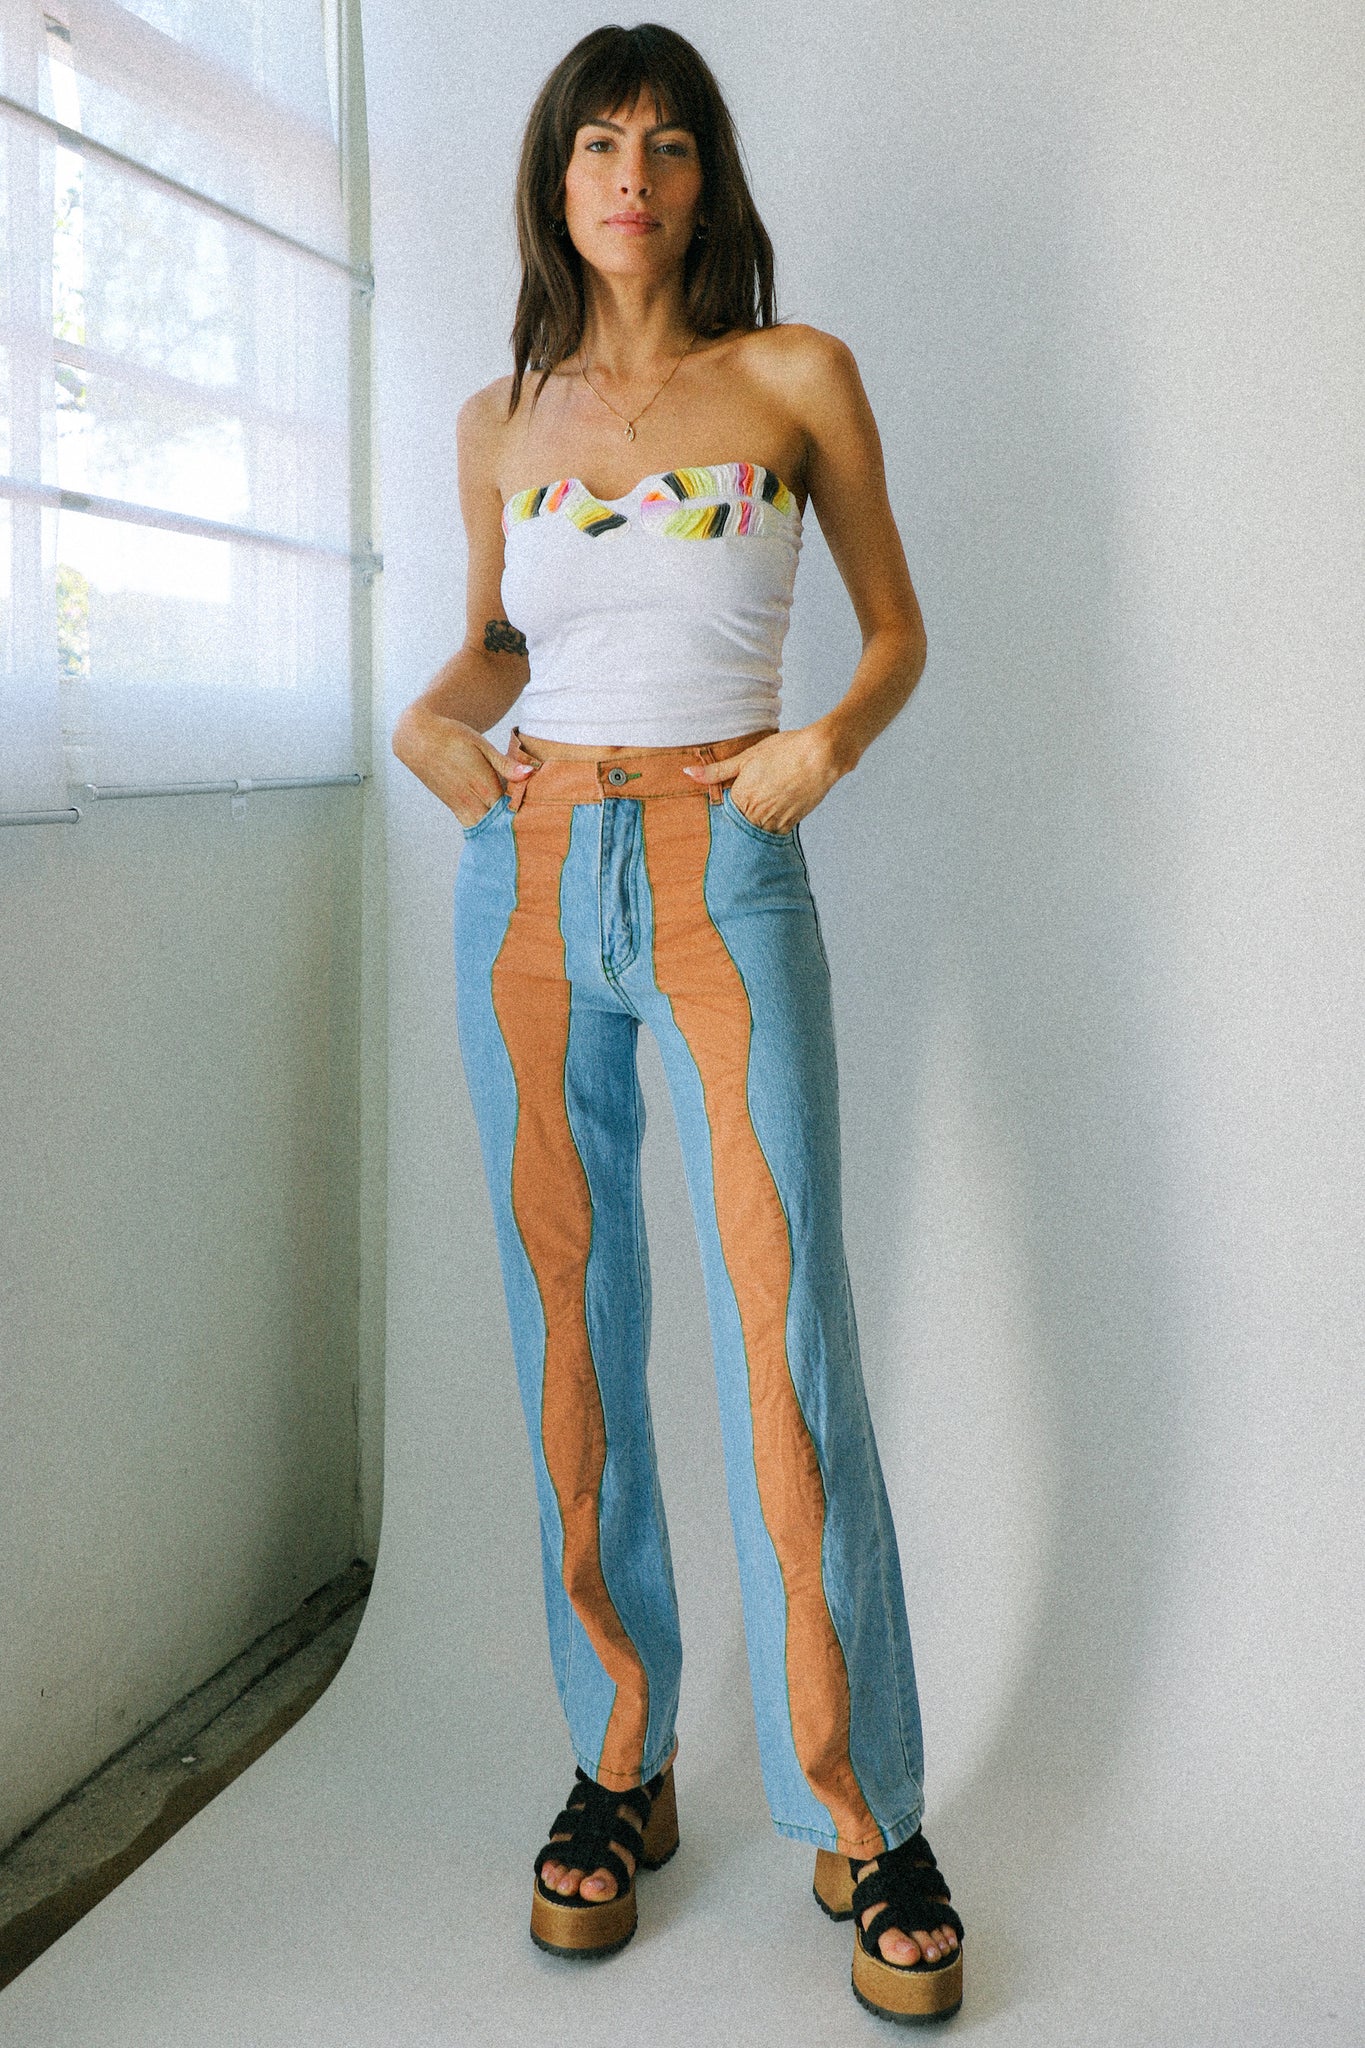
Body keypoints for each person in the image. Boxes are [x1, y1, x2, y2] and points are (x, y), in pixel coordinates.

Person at [392, 21, 964, 2025]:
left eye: (663, 144)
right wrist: (429, 724)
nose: (627, 177)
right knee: (570, 1317)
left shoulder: (795, 377)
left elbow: (893, 626)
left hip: (728, 860)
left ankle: (861, 1806)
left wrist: (826, 743)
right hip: (533, 871)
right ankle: (618, 1758)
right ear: (552, 179)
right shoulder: (498, 416)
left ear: (705, 176)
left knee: (787, 1324)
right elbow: (498, 644)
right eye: (594, 145)